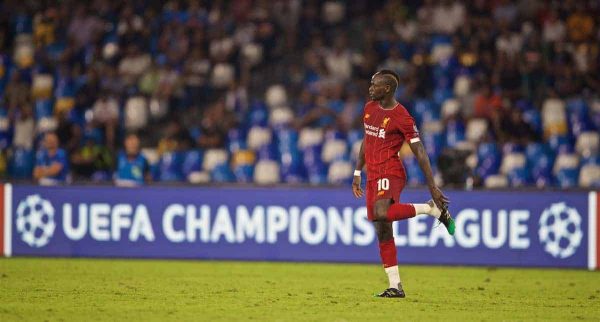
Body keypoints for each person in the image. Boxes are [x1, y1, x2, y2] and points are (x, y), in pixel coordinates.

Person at [352, 70, 455, 298]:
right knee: (382, 228)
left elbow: (419, 151)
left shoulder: (402, 116)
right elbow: (366, 141)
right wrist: (358, 170)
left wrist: (432, 186)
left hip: (392, 171)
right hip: (373, 175)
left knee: (381, 212)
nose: (370, 88)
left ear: (386, 88)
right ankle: (395, 286)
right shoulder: (369, 108)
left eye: (374, 85)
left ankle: (431, 208)